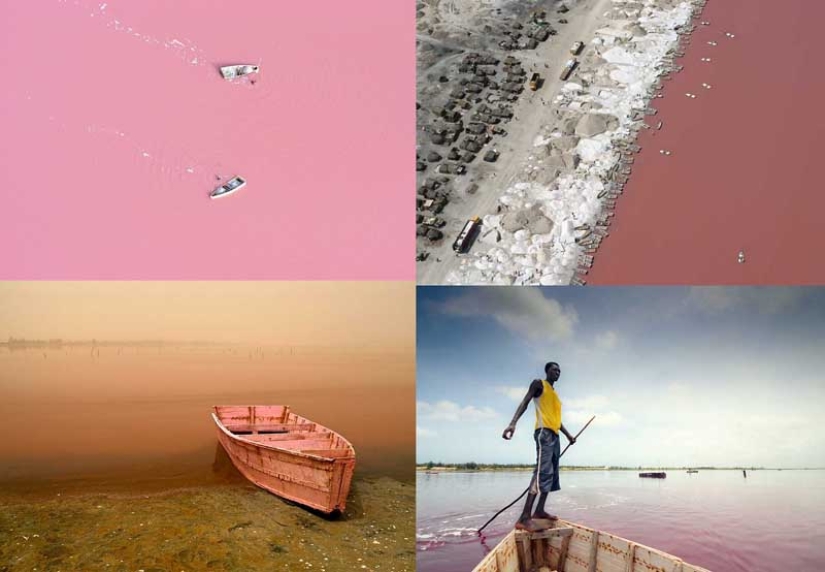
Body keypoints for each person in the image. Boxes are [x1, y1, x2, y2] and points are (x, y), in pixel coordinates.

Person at [502, 361, 576, 531]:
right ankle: (524, 518)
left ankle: (539, 511)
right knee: (541, 473)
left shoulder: (555, 395)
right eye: (554, 369)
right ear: (547, 371)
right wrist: (513, 423)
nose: (557, 372)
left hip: (555, 436)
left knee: (550, 475)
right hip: (544, 434)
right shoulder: (538, 384)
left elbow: (557, 420)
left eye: (559, 370)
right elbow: (525, 402)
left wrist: (568, 435)